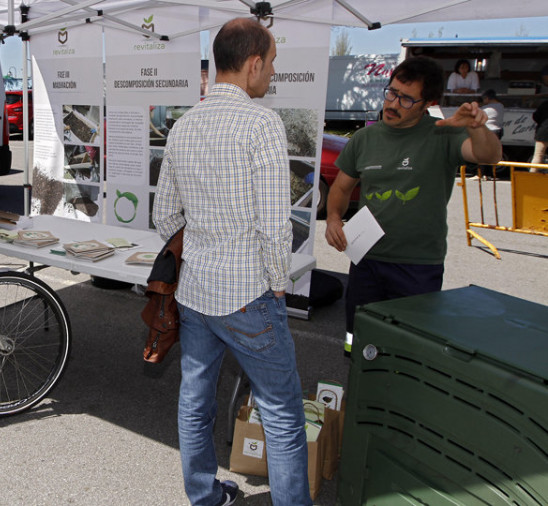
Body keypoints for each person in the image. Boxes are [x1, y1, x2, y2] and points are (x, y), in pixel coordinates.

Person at [153, 18, 311, 506]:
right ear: (253, 63)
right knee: (282, 411)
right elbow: (273, 225)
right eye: (272, 65)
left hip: (197, 293)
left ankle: (204, 497)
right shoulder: (261, 123)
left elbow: (163, 218)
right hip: (248, 295)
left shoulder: (183, 124)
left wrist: (201, 242)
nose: (273, 76)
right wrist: (278, 282)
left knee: (195, 402)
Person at [325, 56, 502, 355]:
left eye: (406, 99)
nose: (393, 104)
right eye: (391, 93)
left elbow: (489, 156)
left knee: (409, 348)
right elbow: (342, 187)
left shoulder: (443, 133)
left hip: (418, 266)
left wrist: (476, 127)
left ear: (427, 103)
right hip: (366, 260)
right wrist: (332, 218)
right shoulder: (365, 138)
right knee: (357, 340)